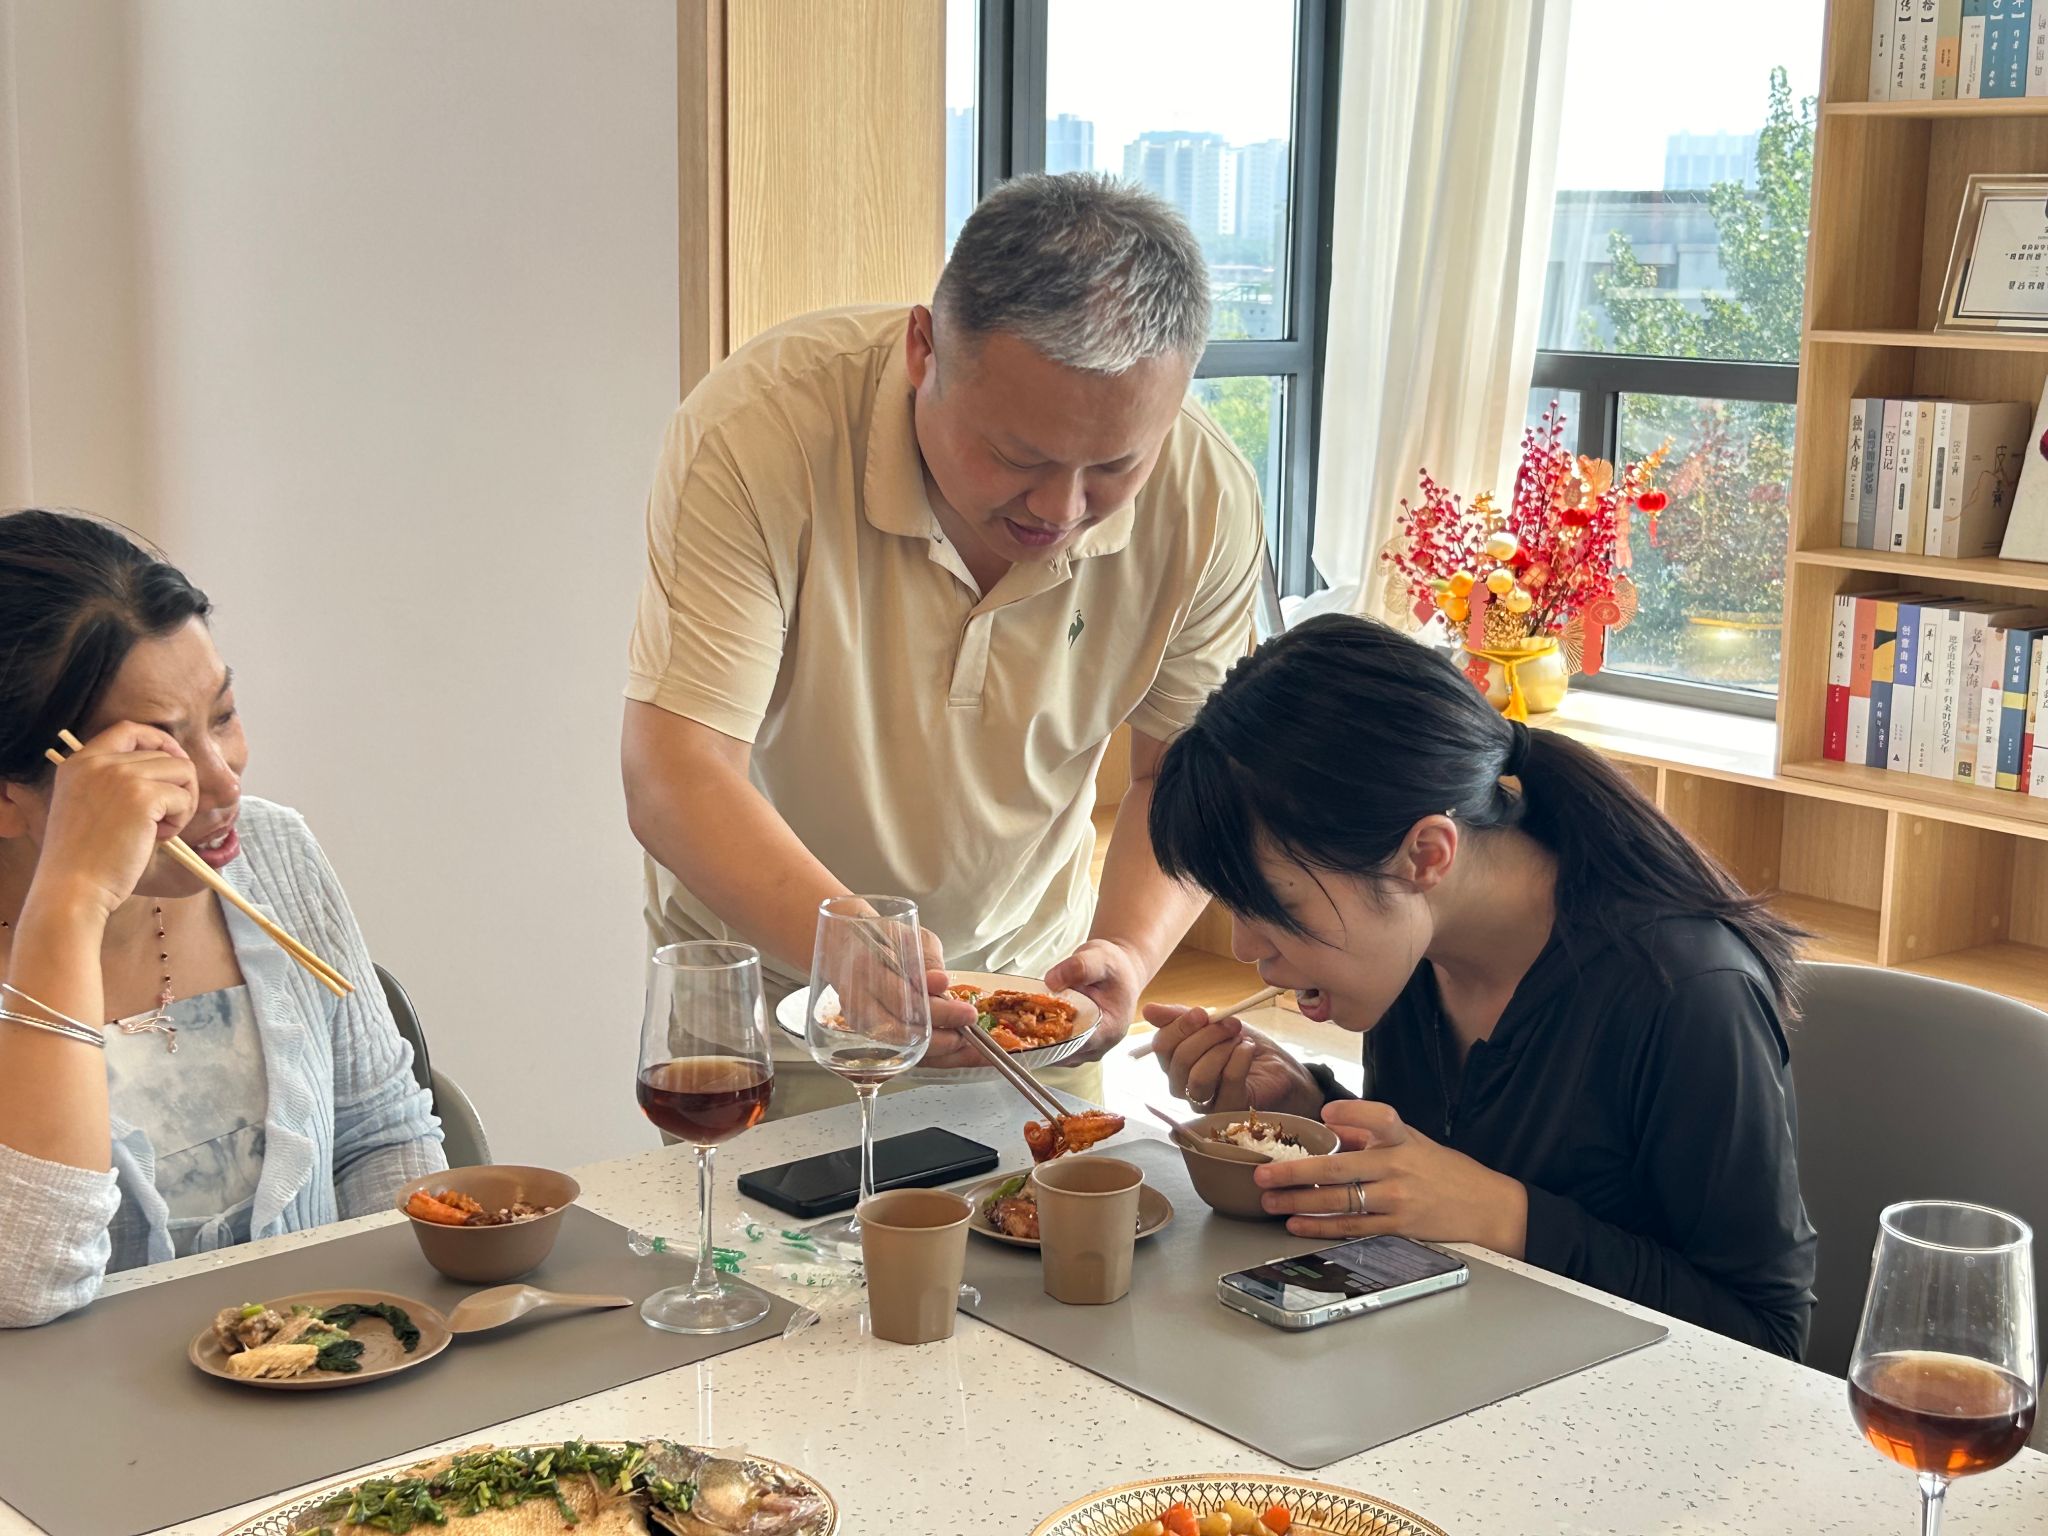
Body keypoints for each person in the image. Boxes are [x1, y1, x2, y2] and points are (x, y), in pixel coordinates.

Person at [622, 173, 1264, 1114]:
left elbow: (1179, 778)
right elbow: (675, 770)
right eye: (1016, 456)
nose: (1060, 507)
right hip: (778, 1007)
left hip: (1031, 1002)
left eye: (1115, 465)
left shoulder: (1207, 495)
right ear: (922, 349)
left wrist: (1128, 949)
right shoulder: (761, 431)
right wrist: (846, 946)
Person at [1141, 616, 1817, 1359]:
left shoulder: (1685, 991)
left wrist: (1507, 1217)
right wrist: (1309, 1112)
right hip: (1436, 1375)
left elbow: (1769, 1339)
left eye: (1273, 905)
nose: (1245, 947)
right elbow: (1440, 1170)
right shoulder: (1414, 947)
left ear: (1425, 855)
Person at [0, 509, 444, 1327]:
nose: (223, 781)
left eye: (224, 714)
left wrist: (389, 1338)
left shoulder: (272, 850)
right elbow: (20, 1288)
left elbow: (380, 1134)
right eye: (151, 752)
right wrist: (71, 903)